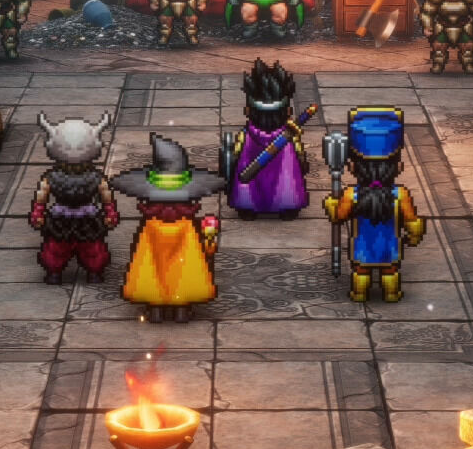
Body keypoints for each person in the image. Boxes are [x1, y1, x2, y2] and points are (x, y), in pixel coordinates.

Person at [110, 134, 225, 322]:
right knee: (175, 266)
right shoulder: (183, 218)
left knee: (158, 266)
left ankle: (162, 306)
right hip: (172, 230)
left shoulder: (155, 217)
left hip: (163, 230)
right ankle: (176, 307)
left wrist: (209, 237)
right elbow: (207, 247)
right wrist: (209, 239)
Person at [323, 107, 424, 304]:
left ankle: (360, 294)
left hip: (363, 245)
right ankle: (391, 294)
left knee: (361, 269)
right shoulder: (399, 194)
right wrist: (414, 236)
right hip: (389, 245)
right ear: (398, 167)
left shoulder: (352, 194)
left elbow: (339, 216)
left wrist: (332, 203)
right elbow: (412, 221)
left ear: (353, 167)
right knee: (390, 269)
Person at [30, 113, 119, 284]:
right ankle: (55, 272)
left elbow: (105, 194)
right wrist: (38, 212)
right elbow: (42, 195)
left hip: (86, 217)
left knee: (91, 248)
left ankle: (93, 271)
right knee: (57, 248)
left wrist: (110, 211)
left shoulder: (94, 177)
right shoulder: (53, 177)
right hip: (62, 217)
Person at [222, 58, 309, 219]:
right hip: (281, 181)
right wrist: (303, 163)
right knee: (285, 180)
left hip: (254, 182)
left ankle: (249, 207)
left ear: (248, 110)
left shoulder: (246, 135)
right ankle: (285, 207)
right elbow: (301, 157)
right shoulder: (288, 135)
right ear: (288, 111)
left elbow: (234, 157)